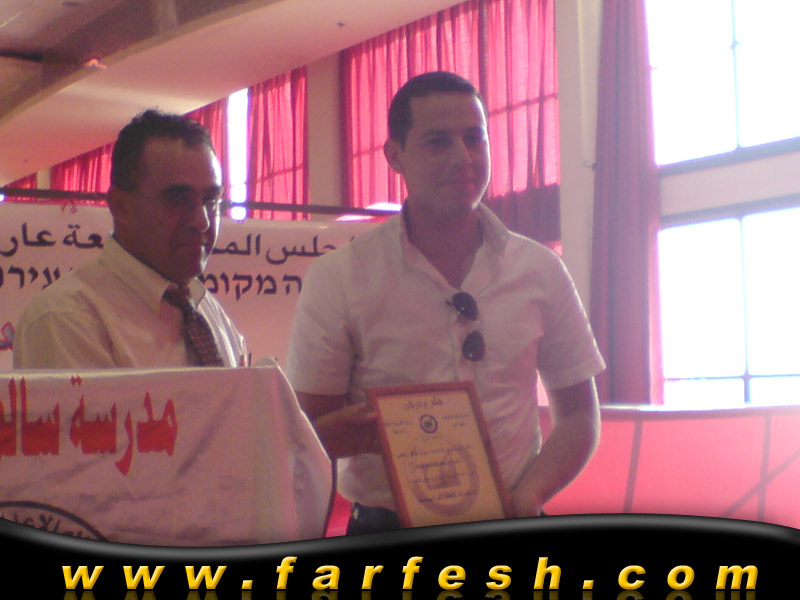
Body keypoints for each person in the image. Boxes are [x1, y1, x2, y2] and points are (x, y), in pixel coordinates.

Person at [286, 71, 606, 534]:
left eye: (475, 138)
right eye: (438, 142)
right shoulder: (340, 278)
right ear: (395, 156)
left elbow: (579, 415)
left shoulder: (540, 269)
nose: (463, 157)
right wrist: (367, 430)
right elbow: (305, 434)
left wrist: (529, 496)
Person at [13, 109, 248, 369]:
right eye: (178, 200)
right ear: (121, 206)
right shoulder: (66, 319)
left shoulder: (208, 312)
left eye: (211, 201)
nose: (202, 221)